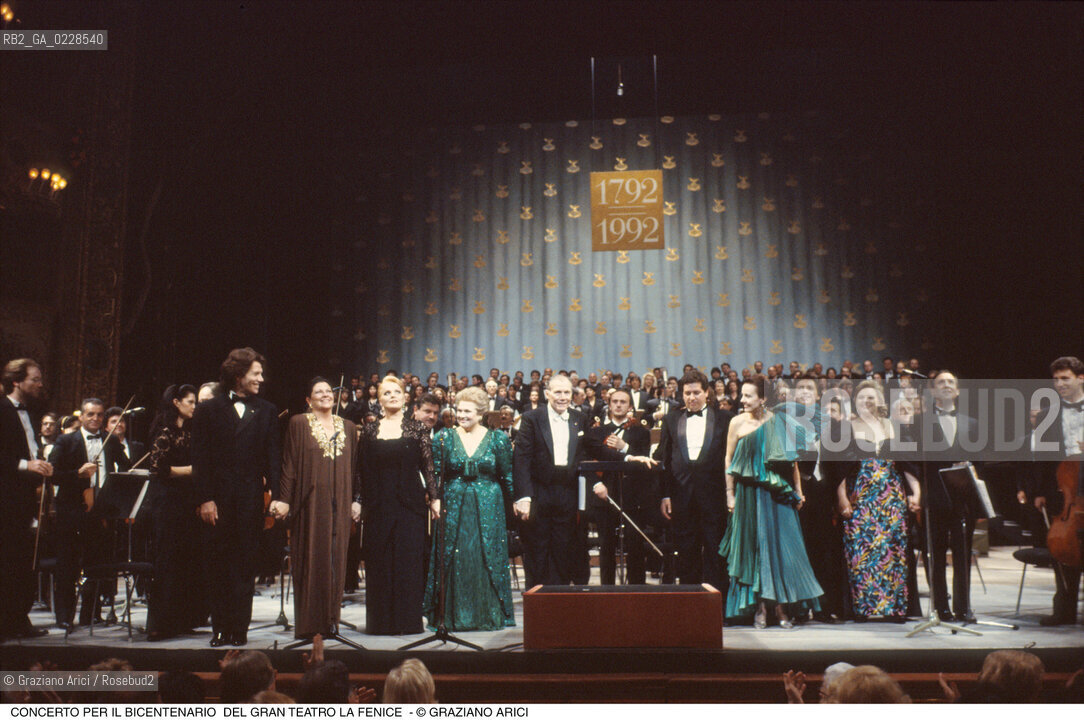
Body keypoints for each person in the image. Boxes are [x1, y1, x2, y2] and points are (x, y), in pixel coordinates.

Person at [192, 348, 281, 647]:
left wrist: (277, 497)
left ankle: (239, 629)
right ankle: (219, 628)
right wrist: (205, 498)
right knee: (217, 564)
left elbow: (273, 459)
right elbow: (200, 458)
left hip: (249, 500)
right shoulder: (208, 409)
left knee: (245, 564)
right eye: (256, 373)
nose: (261, 378)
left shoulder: (267, 411)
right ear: (239, 375)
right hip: (216, 501)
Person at [719, 376, 822, 628]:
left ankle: (781, 608)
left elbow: (793, 462)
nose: (741, 400)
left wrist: (798, 491)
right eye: (742, 395)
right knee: (754, 548)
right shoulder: (736, 422)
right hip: (747, 494)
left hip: (776, 493)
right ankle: (760, 609)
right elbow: (728, 460)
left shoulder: (780, 422)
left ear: (763, 399)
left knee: (781, 549)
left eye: (748, 396)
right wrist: (729, 493)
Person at [270, 378, 360, 639]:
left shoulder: (349, 427)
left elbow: (356, 470)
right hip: (308, 502)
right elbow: (288, 464)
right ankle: (311, 625)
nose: (325, 395)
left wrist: (356, 500)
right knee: (311, 559)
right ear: (308, 400)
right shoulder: (298, 423)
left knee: (336, 560)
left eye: (328, 391)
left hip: (340, 503)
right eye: (318, 392)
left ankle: (332, 622)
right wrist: (284, 499)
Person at [423, 386, 515, 631]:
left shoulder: (497, 438)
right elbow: (435, 473)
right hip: (454, 502)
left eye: (468, 411)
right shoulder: (444, 436)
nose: (462, 415)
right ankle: (452, 616)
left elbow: (507, 475)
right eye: (459, 410)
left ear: (481, 413)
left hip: (489, 505)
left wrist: (515, 503)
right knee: (456, 554)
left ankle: (487, 615)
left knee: (486, 556)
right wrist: (434, 498)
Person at [357, 376, 436, 635]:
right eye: (387, 393)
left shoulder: (417, 429)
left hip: (410, 505)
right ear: (379, 399)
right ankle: (380, 623)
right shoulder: (369, 431)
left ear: (405, 398)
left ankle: (407, 622)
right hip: (378, 505)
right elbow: (361, 471)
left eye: (397, 392)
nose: (392, 396)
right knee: (379, 562)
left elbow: (428, 467)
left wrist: (434, 498)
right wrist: (357, 501)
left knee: (408, 563)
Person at [837, 380, 920, 621]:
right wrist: (842, 499)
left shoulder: (893, 426)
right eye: (862, 397)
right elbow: (840, 471)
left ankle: (894, 609)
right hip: (861, 497)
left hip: (891, 497)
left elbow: (907, 464)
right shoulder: (847, 428)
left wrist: (916, 492)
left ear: (880, 401)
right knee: (861, 552)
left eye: (871, 397)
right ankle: (864, 608)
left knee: (893, 551)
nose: (866, 401)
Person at [655, 370, 733, 592]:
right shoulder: (671, 419)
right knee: (686, 553)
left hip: (715, 497)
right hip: (681, 497)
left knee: (716, 551)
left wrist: (730, 493)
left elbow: (731, 458)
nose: (691, 397)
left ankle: (718, 607)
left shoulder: (725, 418)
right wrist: (666, 494)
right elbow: (665, 459)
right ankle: (690, 608)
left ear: (707, 392)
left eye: (696, 392)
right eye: (687, 393)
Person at [1024, 355, 1083, 626]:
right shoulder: (1049, 414)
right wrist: (1040, 492)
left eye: (1065, 378)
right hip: (1065, 490)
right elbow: (1045, 460)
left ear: (1080, 378)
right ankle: (1065, 608)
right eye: (1056, 379)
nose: (1059, 384)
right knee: (1065, 548)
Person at [513, 374, 587, 586]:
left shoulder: (579, 418)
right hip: (539, 492)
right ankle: (537, 601)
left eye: (566, 392)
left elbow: (586, 452)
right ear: (547, 394)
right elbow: (521, 459)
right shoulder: (531, 418)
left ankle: (559, 601)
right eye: (558, 392)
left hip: (567, 492)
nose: (562, 397)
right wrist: (523, 496)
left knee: (563, 547)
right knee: (537, 547)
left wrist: (626, 454)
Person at [145, 384, 204, 640]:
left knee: (185, 562)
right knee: (167, 562)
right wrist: (192, 470)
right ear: (176, 403)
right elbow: (158, 468)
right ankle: (160, 624)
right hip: (167, 504)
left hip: (186, 502)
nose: (194, 406)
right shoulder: (164, 430)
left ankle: (180, 620)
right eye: (190, 402)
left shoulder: (189, 431)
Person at [0, 359, 53, 639]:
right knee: (6, 561)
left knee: (23, 562)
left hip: (24, 497)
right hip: (5, 499)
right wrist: (26, 465)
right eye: (35, 379)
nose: (40, 384)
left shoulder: (31, 413)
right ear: (17, 381)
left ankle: (17, 620)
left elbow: (31, 450)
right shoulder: (1, 408)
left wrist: (41, 464)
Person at [49, 397, 112, 628]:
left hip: (100, 511)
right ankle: (65, 617)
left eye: (99, 415)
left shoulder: (110, 439)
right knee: (68, 565)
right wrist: (77, 473)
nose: (95, 418)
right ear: (81, 417)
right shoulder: (66, 441)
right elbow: (52, 473)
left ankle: (91, 614)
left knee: (96, 564)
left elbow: (125, 466)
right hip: (72, 511)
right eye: (90, 414)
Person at [583, 388, 656, 585]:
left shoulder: (641, 433)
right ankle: (607, 593)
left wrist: (624, 447)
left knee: (635, 546)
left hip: (632, 496)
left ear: (630, 406)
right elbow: (587, 463)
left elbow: (643, 463)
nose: (618, 405)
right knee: (606, 546)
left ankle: (637, 593)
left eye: (623, 402)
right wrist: (597, 484)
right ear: (609, 404)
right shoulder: (596, 431)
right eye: (614, 401)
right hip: (604, 495)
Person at [791, 375, 845, 623]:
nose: (803, 392)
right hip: (796, 493)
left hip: (823, 493)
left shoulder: (831, 424)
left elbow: (840, 465)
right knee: (800, 553)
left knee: (824, 553)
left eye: (808, 388)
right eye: (799, 388)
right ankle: (800, 609)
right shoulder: (788, 422)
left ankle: (824, 608)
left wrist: (840, 497)